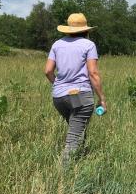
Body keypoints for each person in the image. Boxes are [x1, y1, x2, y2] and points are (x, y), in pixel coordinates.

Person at [44, 13, 106, 166]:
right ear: (86, 30)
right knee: (74, 139)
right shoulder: (88, 45)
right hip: (80, 95)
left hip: (59, 97)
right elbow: (93, 73)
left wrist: (58, 85)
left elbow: (48, 71)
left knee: (77, 130)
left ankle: (79, 161)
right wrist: (102, 99)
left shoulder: (57, 44)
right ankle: (63, 176)